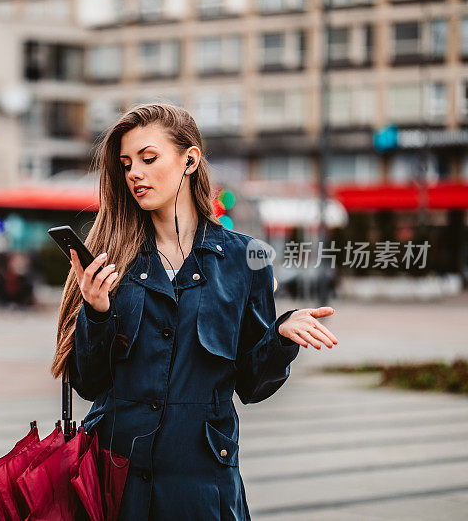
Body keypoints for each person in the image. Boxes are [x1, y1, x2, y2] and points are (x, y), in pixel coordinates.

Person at [50, 103, 339, 520]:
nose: (134, 173)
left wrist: (280, 335)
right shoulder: (112, 259)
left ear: (190, 159)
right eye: (127, 163)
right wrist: (95, 312)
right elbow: (88, 382)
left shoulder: (246, 257)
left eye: (149, 159)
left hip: (202, 486)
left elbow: (253, 384)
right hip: (117, 482)